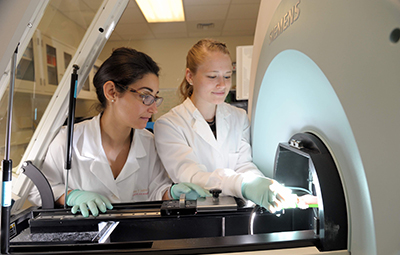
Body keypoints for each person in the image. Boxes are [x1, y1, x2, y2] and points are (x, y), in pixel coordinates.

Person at [28, 47, 209, 217]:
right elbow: (36, 188)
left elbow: (155, 191)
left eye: (155, 98)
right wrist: (70, 195)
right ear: (112, 92)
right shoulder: (67, 141)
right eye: (146, 96)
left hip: (136, 240)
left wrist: (171, 192)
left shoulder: (149, 143)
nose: (154, 109)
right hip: (82, 243)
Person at [154, 39, 296, 213]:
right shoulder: (169, 124)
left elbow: (244, 164)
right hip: (197, 216)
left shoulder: (239, 117)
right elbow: (191, 176)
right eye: (212, 76)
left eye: (227, 76)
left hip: (239, 212)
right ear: (190, 76)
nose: (222, 84)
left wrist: (261, 184)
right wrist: (243, 185)